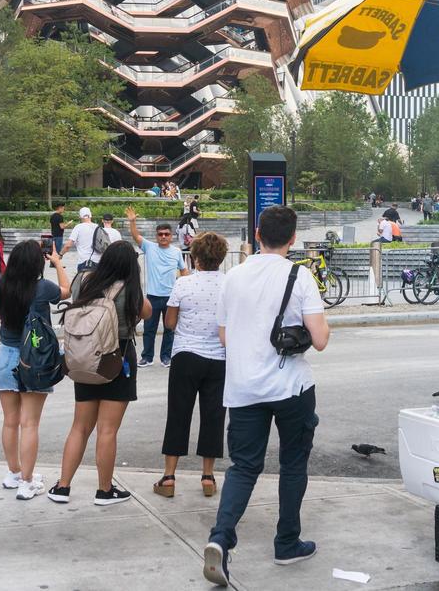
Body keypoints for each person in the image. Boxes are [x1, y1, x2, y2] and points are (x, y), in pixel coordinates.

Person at [203, 205, 330, 587]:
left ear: (257, 234)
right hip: (291, 388)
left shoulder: (233, 277)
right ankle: (287, 543)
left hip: (242, 389)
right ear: (293, 239)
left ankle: (220, 539)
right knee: (293, 464)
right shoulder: (300, 275)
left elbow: (224, 336)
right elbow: (320, 340)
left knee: (243, 467)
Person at [48, 240, 151, 506]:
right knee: (107, 430)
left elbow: (71, 295)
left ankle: (62, 486)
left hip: (84, 359)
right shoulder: (129, 287)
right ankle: (104, 491)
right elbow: (147, 312)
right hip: (117, 361)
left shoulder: (83, 280)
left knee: (79, 427)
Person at [0, 239, 70, 500]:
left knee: (10, 421)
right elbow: (67, 291)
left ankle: (14, 473)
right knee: (30, 424)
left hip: (6, 355)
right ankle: (27, 481)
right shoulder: (42, 288)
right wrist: (58, 262)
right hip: (34, 359)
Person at [154, 232, 228, 500]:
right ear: (220, 257)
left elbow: (170, 323)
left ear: (195, 257)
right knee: (213, 417)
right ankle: (208, 476)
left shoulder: (183, 284)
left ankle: (169, 476)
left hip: (186, 355)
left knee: (178, 413)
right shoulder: (228, 284)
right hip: (218, 357)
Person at [128, 206, 186, 367]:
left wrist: (186, 286)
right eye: (160, 234)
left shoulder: (176, 252)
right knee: (149, 329)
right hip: (152, 296)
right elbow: (135, 236)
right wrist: (132, 221)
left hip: (171, 297)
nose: (163, 237)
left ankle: (166, 357)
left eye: (166, 234)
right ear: (156, 236)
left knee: (169, 329)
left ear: (171, 236)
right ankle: (147, 357)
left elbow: (184, 269)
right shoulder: (150, 247)